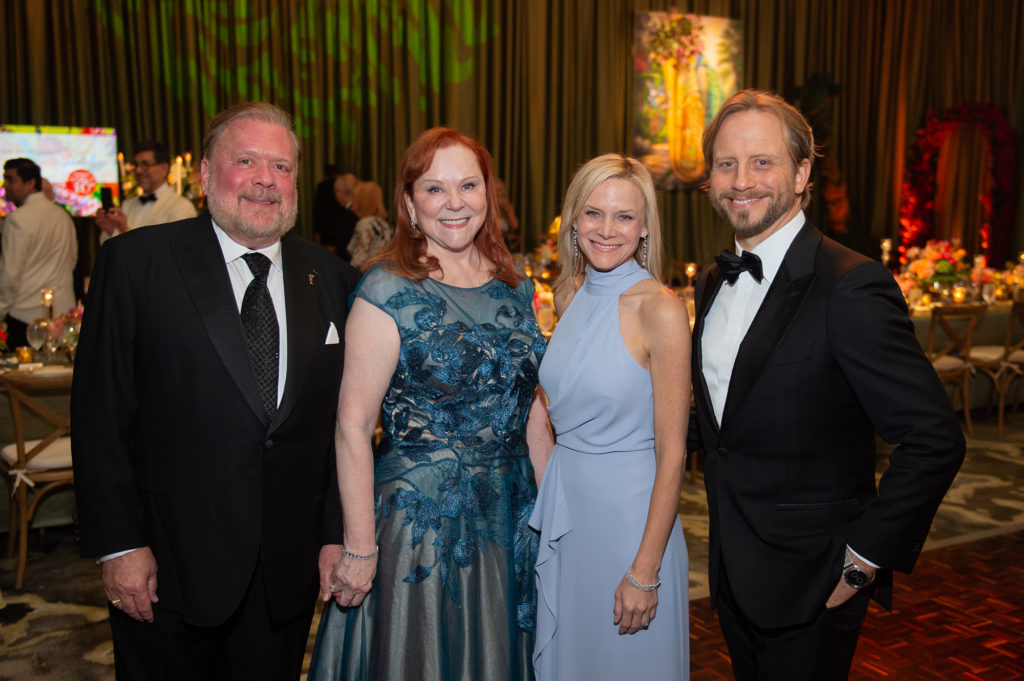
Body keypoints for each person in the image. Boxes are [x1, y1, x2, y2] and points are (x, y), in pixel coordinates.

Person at [71, 102, 360, 681]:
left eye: (280, 167)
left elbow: (339, 426)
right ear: (205, 174)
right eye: (246, 160)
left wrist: (336, 535)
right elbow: (101, 414)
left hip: (285, 571)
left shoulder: (330, 277)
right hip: (167, 568)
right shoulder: (135, 263)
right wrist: (119, 545)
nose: (264, 179)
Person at [691, 89, 965, 680]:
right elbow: (725, 421)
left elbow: (933, 438)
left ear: (801, 173)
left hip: (816, 582)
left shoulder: (851, 285)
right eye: (726, 163)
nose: (742, 180)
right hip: (732, 570)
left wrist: (864, 560)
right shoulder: (712, 280)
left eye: (762, 161)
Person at [308, 127, 550, 681]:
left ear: (488, 195)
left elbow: (534, 416)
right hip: (423, 528)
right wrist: (360, 547)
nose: (455, 202)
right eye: (435, 189)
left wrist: (556, 516)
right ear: (410, 204)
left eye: (468, 185)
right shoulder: (387, 289)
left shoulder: (515, 287)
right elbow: (351, 428)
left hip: (513, 512)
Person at [529, 154, 690, 680]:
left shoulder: (659, 309)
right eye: (593, 213)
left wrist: (645, 572)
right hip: (569, 515)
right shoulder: (569, 293)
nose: (606, 230)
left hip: (631, 521)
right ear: (573, 220)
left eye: (624, 216)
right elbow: (550, 408)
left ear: (644, 228)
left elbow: (673, 455)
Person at [0, 158, 77, 347]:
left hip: (27, 318)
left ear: (31, 183)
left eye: (10, 180)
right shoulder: (63, 215)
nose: (5, 186)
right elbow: (72, 260)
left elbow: (11, 274)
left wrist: (1, 310)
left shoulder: (18, 218)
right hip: (62, 317)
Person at [94, 140, 197, 242]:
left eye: (145, 164)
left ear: (164, 168)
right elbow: (112, 252)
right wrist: (110, 231)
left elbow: (170, 250)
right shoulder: (127, 204)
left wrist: (124, 230)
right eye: (136, 165)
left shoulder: (182, 206)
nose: (138, 170)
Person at [346, 180, 394, 268]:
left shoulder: (365, 224)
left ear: (362, 200)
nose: (351, 201)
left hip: (367, 275)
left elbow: (358, 260)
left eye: (354, 197)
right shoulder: (383, 223)